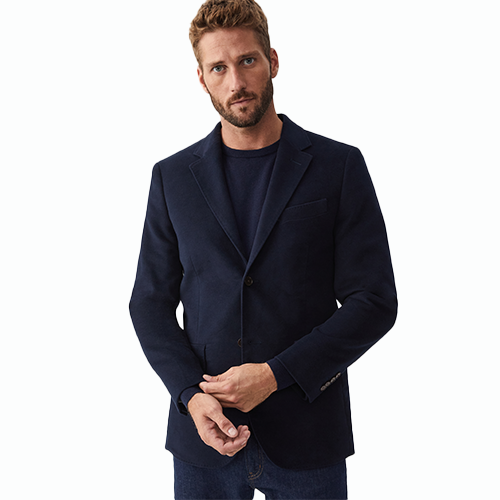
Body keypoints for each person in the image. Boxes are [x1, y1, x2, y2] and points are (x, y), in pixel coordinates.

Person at [129, 0, 397, 498]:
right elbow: (149, 302)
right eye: (219, 68)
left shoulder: (338, 166)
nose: (236, 82)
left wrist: (276, 376)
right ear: (202, 78)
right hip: (204, 437)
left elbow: (374, 302)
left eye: (247, 60)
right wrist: (190, 396)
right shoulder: (172, 177)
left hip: (309, 433)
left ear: (272, 61)